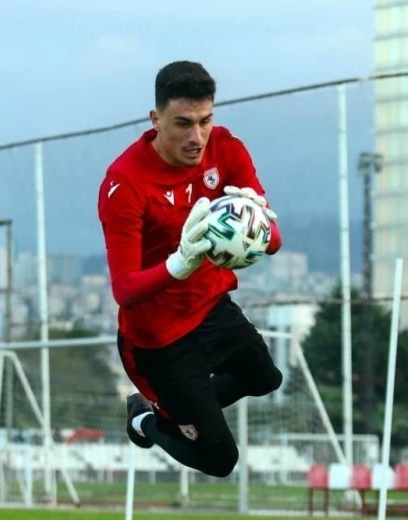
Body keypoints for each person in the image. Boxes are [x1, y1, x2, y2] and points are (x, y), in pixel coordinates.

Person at [98, 61, 283, 478]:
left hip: (211, 309)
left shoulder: (226, 149)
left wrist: (256, 220)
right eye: (182, 123)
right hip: (159, 340)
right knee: (221, 460)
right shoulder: (124, 183)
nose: (197, 137)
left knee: (265, 378)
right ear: (156, 120)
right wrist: (178, 264)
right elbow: (124, 289)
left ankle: (172, 413)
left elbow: (274, 242)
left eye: (205, 121)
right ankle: (145, 420)